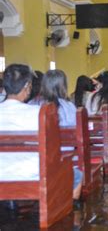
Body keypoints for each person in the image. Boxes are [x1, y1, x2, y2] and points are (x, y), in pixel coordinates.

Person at [0, 64, 82, 199]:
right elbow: (54, 149)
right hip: (32, 173)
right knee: (77, 174)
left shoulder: (35, 106)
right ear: (27, 86)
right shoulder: (39, 113)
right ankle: (70, 211)